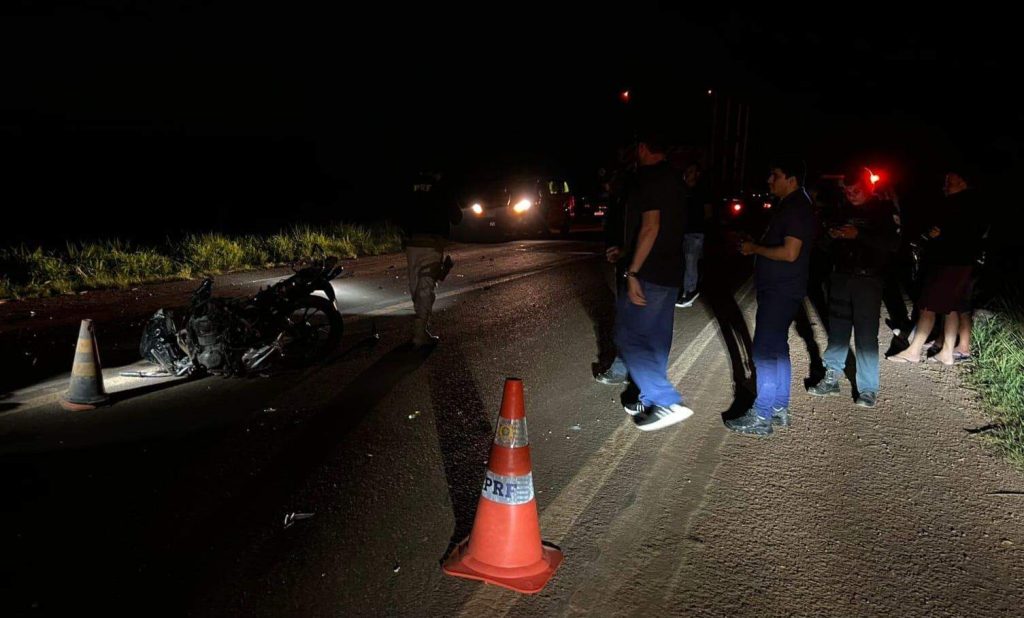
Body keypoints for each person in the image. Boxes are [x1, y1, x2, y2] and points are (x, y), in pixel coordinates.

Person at [725, 158, 815, 436]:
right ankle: (779, 408)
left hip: (781, 290)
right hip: (783, 289)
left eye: (774, 175)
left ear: (791, 179)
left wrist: (754, 248)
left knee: (764, 350)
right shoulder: (792, 205)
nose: (769, 180)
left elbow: (790, 253)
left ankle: (762, 415)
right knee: (777, 348)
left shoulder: (797, 208)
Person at [615, 134, 694, 431]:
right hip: (670, 269)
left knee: (629, 337)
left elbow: (651, 227)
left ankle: (665, 400)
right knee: (656, 340)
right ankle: (650, 398)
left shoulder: (646, 178)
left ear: (643, 148)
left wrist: (632, 271)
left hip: (649, 271)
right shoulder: (675, 178)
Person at [807, 168, 899, 407]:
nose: (851, 195)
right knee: (837, 331)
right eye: (847, 191)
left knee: (866, 335)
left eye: (856, 190)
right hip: (839, 278)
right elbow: (823, 245)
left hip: (868, 281)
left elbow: (891, 244)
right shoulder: (840, 210)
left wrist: (858, 234)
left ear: (868, 188)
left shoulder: (883, 211)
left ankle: (868, 388)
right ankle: (832, 377)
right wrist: (831, 235)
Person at [399, 170, 462, 347]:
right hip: (432, 244)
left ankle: (420, 327)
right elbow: (457, 217)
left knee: (415, 286)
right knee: (425, 287)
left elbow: (399, 209)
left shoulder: (410, 184)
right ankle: (419, 334)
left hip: (412, 244)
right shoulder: (442, 187)